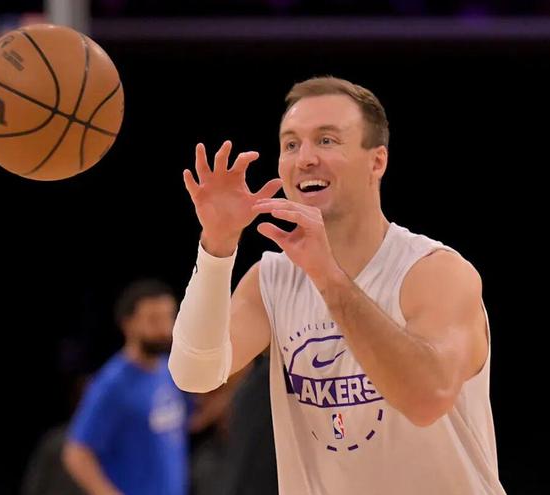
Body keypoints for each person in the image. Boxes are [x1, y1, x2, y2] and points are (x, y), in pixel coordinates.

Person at [168, 76, 505, 494]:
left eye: (326, 141)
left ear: (377, 162)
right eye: (291, 144)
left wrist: (328, 276)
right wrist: (217, 247)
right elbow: (194, 374)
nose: (305, 158)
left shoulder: (434, 272)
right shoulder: (271, 280)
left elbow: (427, 398)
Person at [64, 280, 188, 495]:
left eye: (169, 317)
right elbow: (76, 453)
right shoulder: (112, 384)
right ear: (128, 324)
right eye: (153, 320)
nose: (164, 329)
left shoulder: (168, 370)